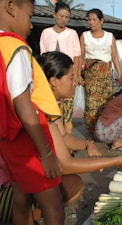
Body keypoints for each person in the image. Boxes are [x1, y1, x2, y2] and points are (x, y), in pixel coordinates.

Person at [0, 51, 122, 225]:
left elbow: (63, 137)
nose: (76, 82)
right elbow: (65, 164)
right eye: (70, 78)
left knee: (66, 186)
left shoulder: (49, 104)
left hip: (18, 180)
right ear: (53, 81)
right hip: (5, 190)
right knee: (54, 209)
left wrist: (87, 144)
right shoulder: (41, 112)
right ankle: (33, 213)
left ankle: (32, 213)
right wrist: (116, 160)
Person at [0, 0, 64, 225]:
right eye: (29, 16)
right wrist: (46, 154)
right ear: (10, 7)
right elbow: (23, 103)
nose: (30, 25)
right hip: (29, 138)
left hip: (8, 138)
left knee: (22, 199)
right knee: (54, 207)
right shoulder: (15, 48)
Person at [80, 8, 122, 141]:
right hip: (90, 75)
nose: (91, 23)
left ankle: (107, 130)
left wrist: (119, 73)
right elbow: (80, 57)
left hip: (105, 76)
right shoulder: (84, 36)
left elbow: (114, 56)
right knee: (91, 105)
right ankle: (91, 133)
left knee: (106, 104)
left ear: (101, 21)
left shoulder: (109, 36)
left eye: (94, 20)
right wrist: (78, 74)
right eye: (89, 20)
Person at [39, 1, 82, 135]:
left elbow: (77, 56)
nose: (64, 20)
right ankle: (55, 140)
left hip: (68, 77)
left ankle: (68, 141)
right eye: (61, 16)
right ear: (54, 15)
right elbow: (43, 56)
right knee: (52, 110)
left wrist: (76, 74)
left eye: (67, 17)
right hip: (52, 78)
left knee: (68, 111)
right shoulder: (46, 33)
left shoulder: (72, 33)